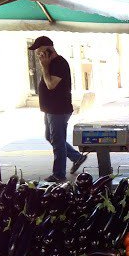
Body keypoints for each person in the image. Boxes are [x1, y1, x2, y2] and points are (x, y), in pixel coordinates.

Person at [29, 36, 87, 182]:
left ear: (48, 49)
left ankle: (58, 174)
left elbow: (50, 85)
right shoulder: (50, 63)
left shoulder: (59, 63)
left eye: (39, 50)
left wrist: (44, 66)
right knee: (51, 137)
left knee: (57, 141)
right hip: (50, 110)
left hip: (58, 110)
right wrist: (45, 65)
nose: (37, 53)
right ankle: (77, 157)